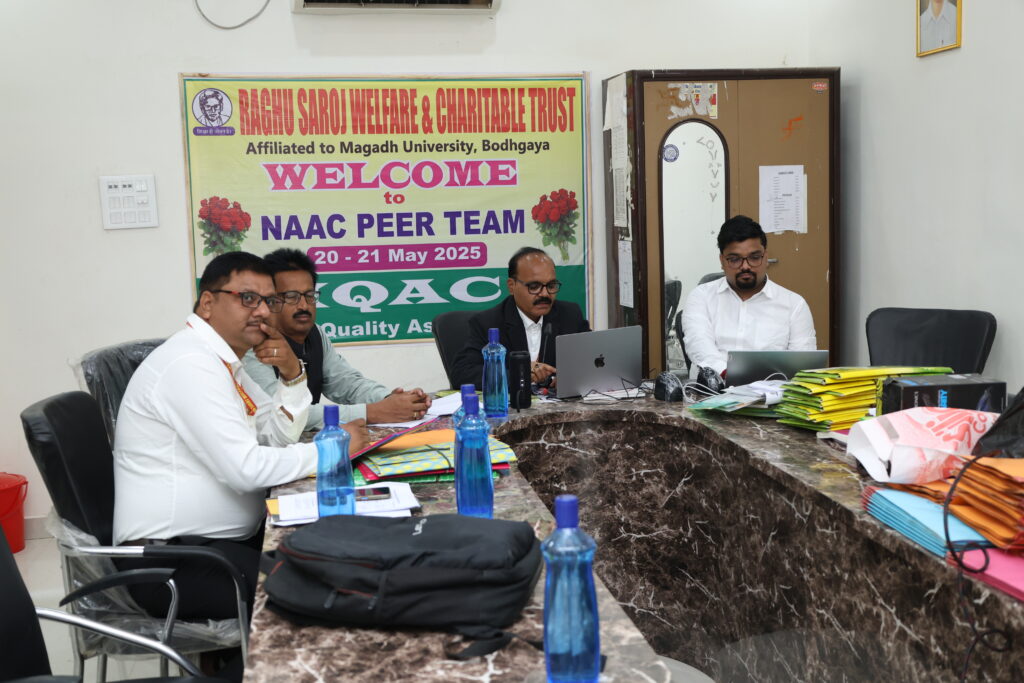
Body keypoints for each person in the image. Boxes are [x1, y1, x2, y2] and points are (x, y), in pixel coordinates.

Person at [112, 252, 367, 643]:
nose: (262, 311)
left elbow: (275, 436)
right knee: (321, 594)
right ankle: (240, 669)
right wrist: (333, 450)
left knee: (336, 563)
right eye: (248, 298)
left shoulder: (222, 362)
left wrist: (292, 376)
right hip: (173, 565)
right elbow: (246, 470)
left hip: (218, 547)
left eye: (268, 300)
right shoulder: (189, 364)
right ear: (207, 303)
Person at [242, 248, 431, 428]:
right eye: (291, 297)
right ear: (270, 300)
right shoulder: (253, 344)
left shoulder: (315, 333)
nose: (303, 306)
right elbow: (280, 414)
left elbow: (346, 383)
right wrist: (373, 412)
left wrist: (393, 400)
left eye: (309, 295)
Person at [681, 215, 816, 379]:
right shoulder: (701, 297)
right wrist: (730, 375)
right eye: (734, 259)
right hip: (711, 389)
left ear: (765, 257)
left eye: (754, 257)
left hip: (772, 392)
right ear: (722, 261)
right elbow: (700, 347)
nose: (745, 266)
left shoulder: (794, 305)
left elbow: (801, 365)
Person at [450, 247, 590, 389]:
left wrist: (572, 377)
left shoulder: (570, 315)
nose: (545, 294)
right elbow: (462, 374)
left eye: (551, 285)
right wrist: (520, 373)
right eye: (534, 286)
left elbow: (592, 359)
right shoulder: (487, 323)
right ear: (512, 286)